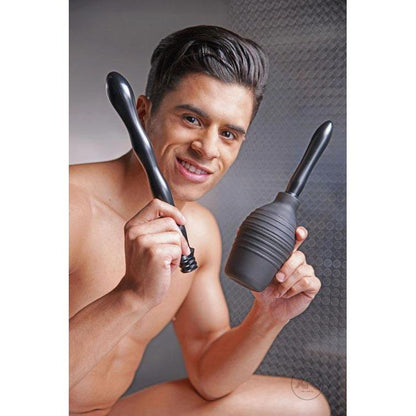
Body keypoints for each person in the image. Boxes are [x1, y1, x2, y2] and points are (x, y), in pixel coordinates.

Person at [69, 25, 331, 416]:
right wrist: (131, 295)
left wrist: (267, 317)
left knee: (301, 406)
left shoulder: (200, 233)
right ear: (143, 113)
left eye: (229, 134)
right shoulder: (67, 208)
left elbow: (210, 374)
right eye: (192, 119)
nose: (207, 149)